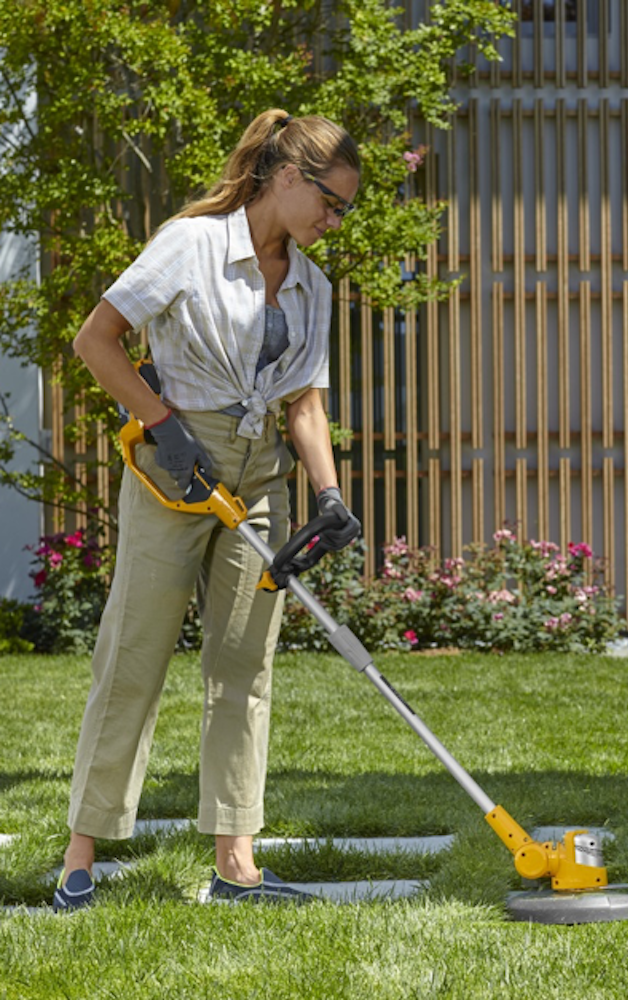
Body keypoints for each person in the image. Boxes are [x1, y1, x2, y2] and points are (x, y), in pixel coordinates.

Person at [53, 109, 362, 911]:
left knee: (243, 670)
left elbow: (305, 404)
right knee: (133, 656)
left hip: (257, 482)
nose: (335, 221)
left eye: (343, 210)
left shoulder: (311, 284)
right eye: (331, 202)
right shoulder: (191, 245)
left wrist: (328, 495)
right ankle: (81, 853)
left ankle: (236, 862)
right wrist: (164, 426)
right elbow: (97, 342)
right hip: (170, 473)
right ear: (287, 177)